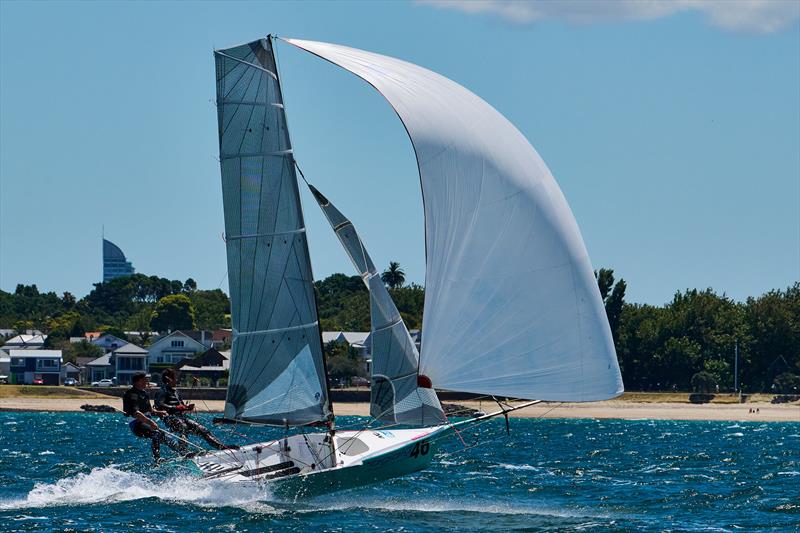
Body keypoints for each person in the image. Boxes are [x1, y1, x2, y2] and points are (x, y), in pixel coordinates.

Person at [154, 368, 235, 451]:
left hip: (181, 417)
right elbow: (159, 405)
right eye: (175, 378)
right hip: (170, 418)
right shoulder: (162, 391)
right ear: (168, 379)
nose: (177, 380)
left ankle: (221, 447)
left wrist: (187, 407)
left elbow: (181, 406)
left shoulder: (175, 392)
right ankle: (183, 451)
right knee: (183, 427)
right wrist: (176, 408)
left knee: (203, 430)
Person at [122, 372, 184, 463]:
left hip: (146, 422)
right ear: (138, 381)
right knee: (156, 433)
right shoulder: (131, 395)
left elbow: (150, 410)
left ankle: (183, 453)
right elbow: (136, 414)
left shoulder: (144, 393)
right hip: (136, 424)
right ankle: (157, 459)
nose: (147, 381)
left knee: (167, 437)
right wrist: (151, 423)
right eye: (145, 379)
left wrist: (159, 412)